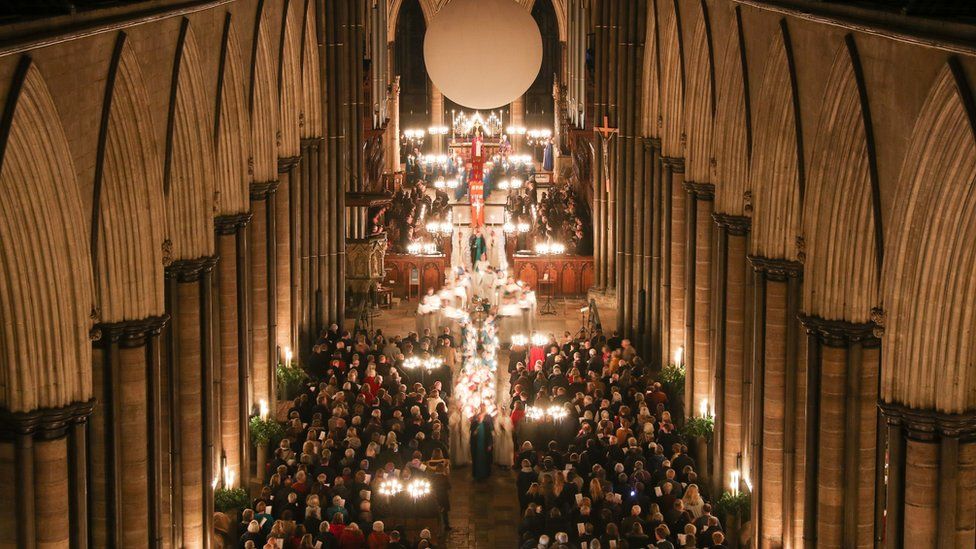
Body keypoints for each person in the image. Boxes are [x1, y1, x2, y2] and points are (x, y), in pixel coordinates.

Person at [470, 404, 494, 480]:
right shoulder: (474, 424)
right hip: (477, 446)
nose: (480, 418)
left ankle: (485, 474)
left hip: (484, 445)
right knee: (477, 460)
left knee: (485, 459)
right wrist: (475, 432)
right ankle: (477, 474)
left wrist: (490, 444)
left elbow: (489, 435)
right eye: (478, 417)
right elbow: (472, 435)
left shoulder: (486, 424)